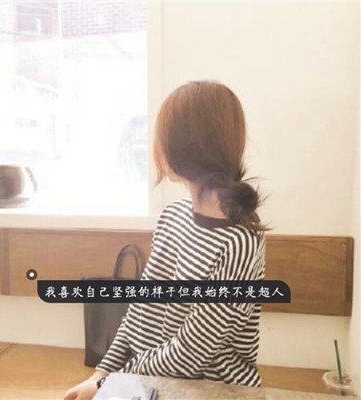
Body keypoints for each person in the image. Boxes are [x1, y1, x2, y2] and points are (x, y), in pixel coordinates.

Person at [64, 80, 267, 400]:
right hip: (149, 382)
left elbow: (190, 354)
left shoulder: (239, 243)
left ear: (186, 146)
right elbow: (139, 311)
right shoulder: (173, 217)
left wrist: (111, 383)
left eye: (161, 136)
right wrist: (101, 373)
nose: (155, 146)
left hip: (214, 391)